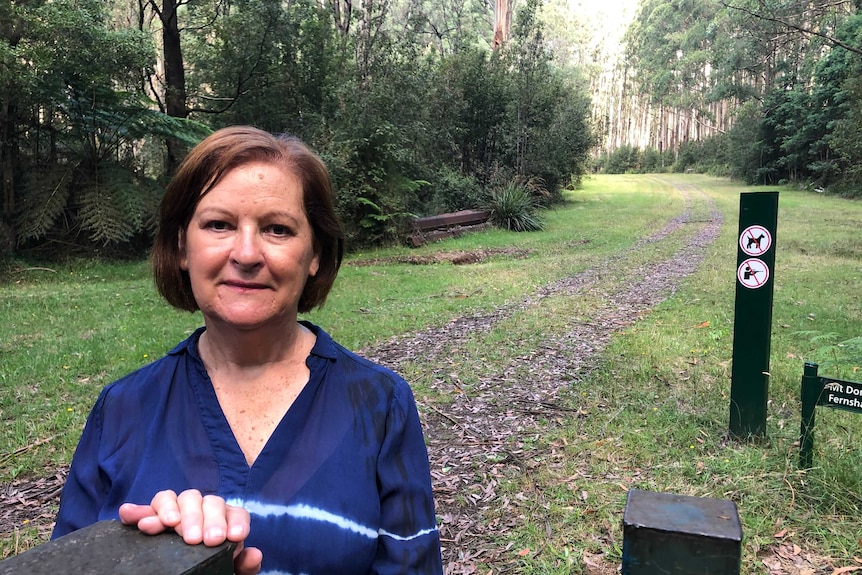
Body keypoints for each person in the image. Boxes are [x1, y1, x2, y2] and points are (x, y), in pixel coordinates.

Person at [52, 126, 444, 575]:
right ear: (182, 246)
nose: (246, 253)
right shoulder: (122, 409)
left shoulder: (380, 405)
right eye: (218, 224)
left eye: (277, 229)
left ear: (314, 253)